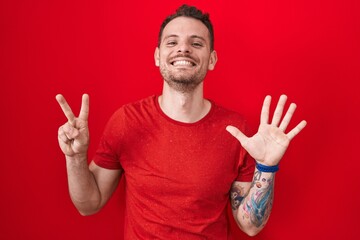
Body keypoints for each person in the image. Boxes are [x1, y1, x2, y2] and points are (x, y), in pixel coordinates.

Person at [56, 4, 307, 239]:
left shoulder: (236, 130)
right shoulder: (127, 121)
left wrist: (266, 168)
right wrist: (75, 158)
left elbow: (250, 226)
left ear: (211, 59)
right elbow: (89, 204)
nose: (183, 49)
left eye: (196, 43)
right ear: (157, 56)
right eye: (172, 42)